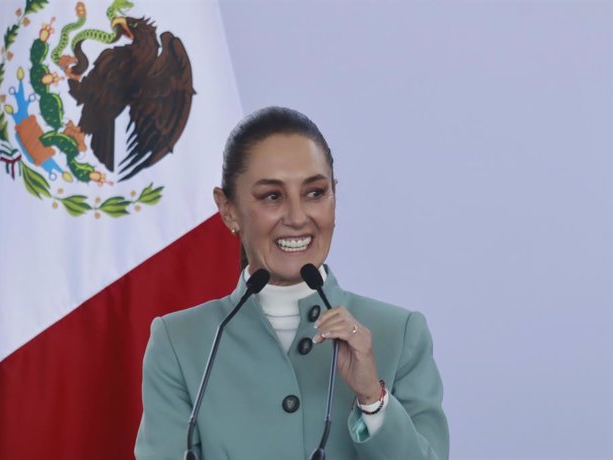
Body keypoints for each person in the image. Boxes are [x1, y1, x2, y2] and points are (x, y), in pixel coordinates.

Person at [135, 107, 449, 459]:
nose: (298, 218)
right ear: (229, 210)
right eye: (272, 196)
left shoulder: (400, 333)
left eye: (315, 192)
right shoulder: (180, 342)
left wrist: (372, 400)